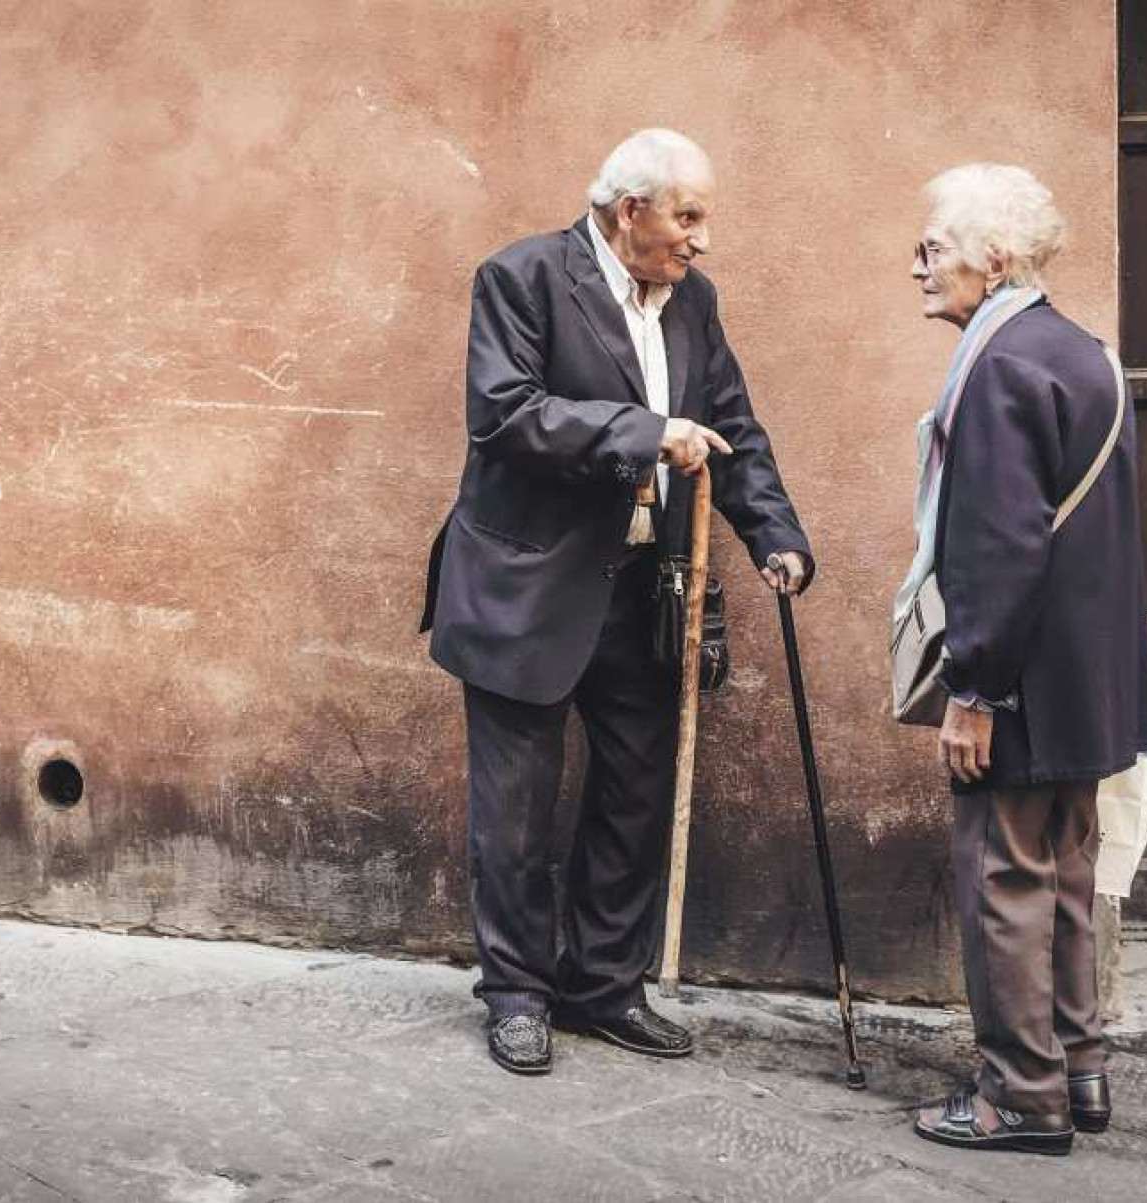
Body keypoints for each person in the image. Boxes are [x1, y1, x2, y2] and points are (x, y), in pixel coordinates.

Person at [419, 128, 815, 1075]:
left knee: (635, 797)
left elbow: (732, 427)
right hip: (525, 587)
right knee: (513, 813)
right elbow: (508, 414)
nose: (701, 239)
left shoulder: (695, 302)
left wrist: (777, 535)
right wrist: (644, 432)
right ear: (629, 210)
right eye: (688, 216)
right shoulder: (520, 279)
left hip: (642, 590)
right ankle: (516, 993)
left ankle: (602, 984)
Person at [904, 164, 1147, 1154]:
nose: (918, 264)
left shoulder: (998, 363)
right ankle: (1079, 1067)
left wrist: (972, 691)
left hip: (1019, 685)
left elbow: (1001, 547)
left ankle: (1020, 1095)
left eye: (934, 248)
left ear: (994, 258)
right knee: (1064, 875)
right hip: (1088, 683)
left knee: (1005, 878)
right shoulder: (1085, 352)